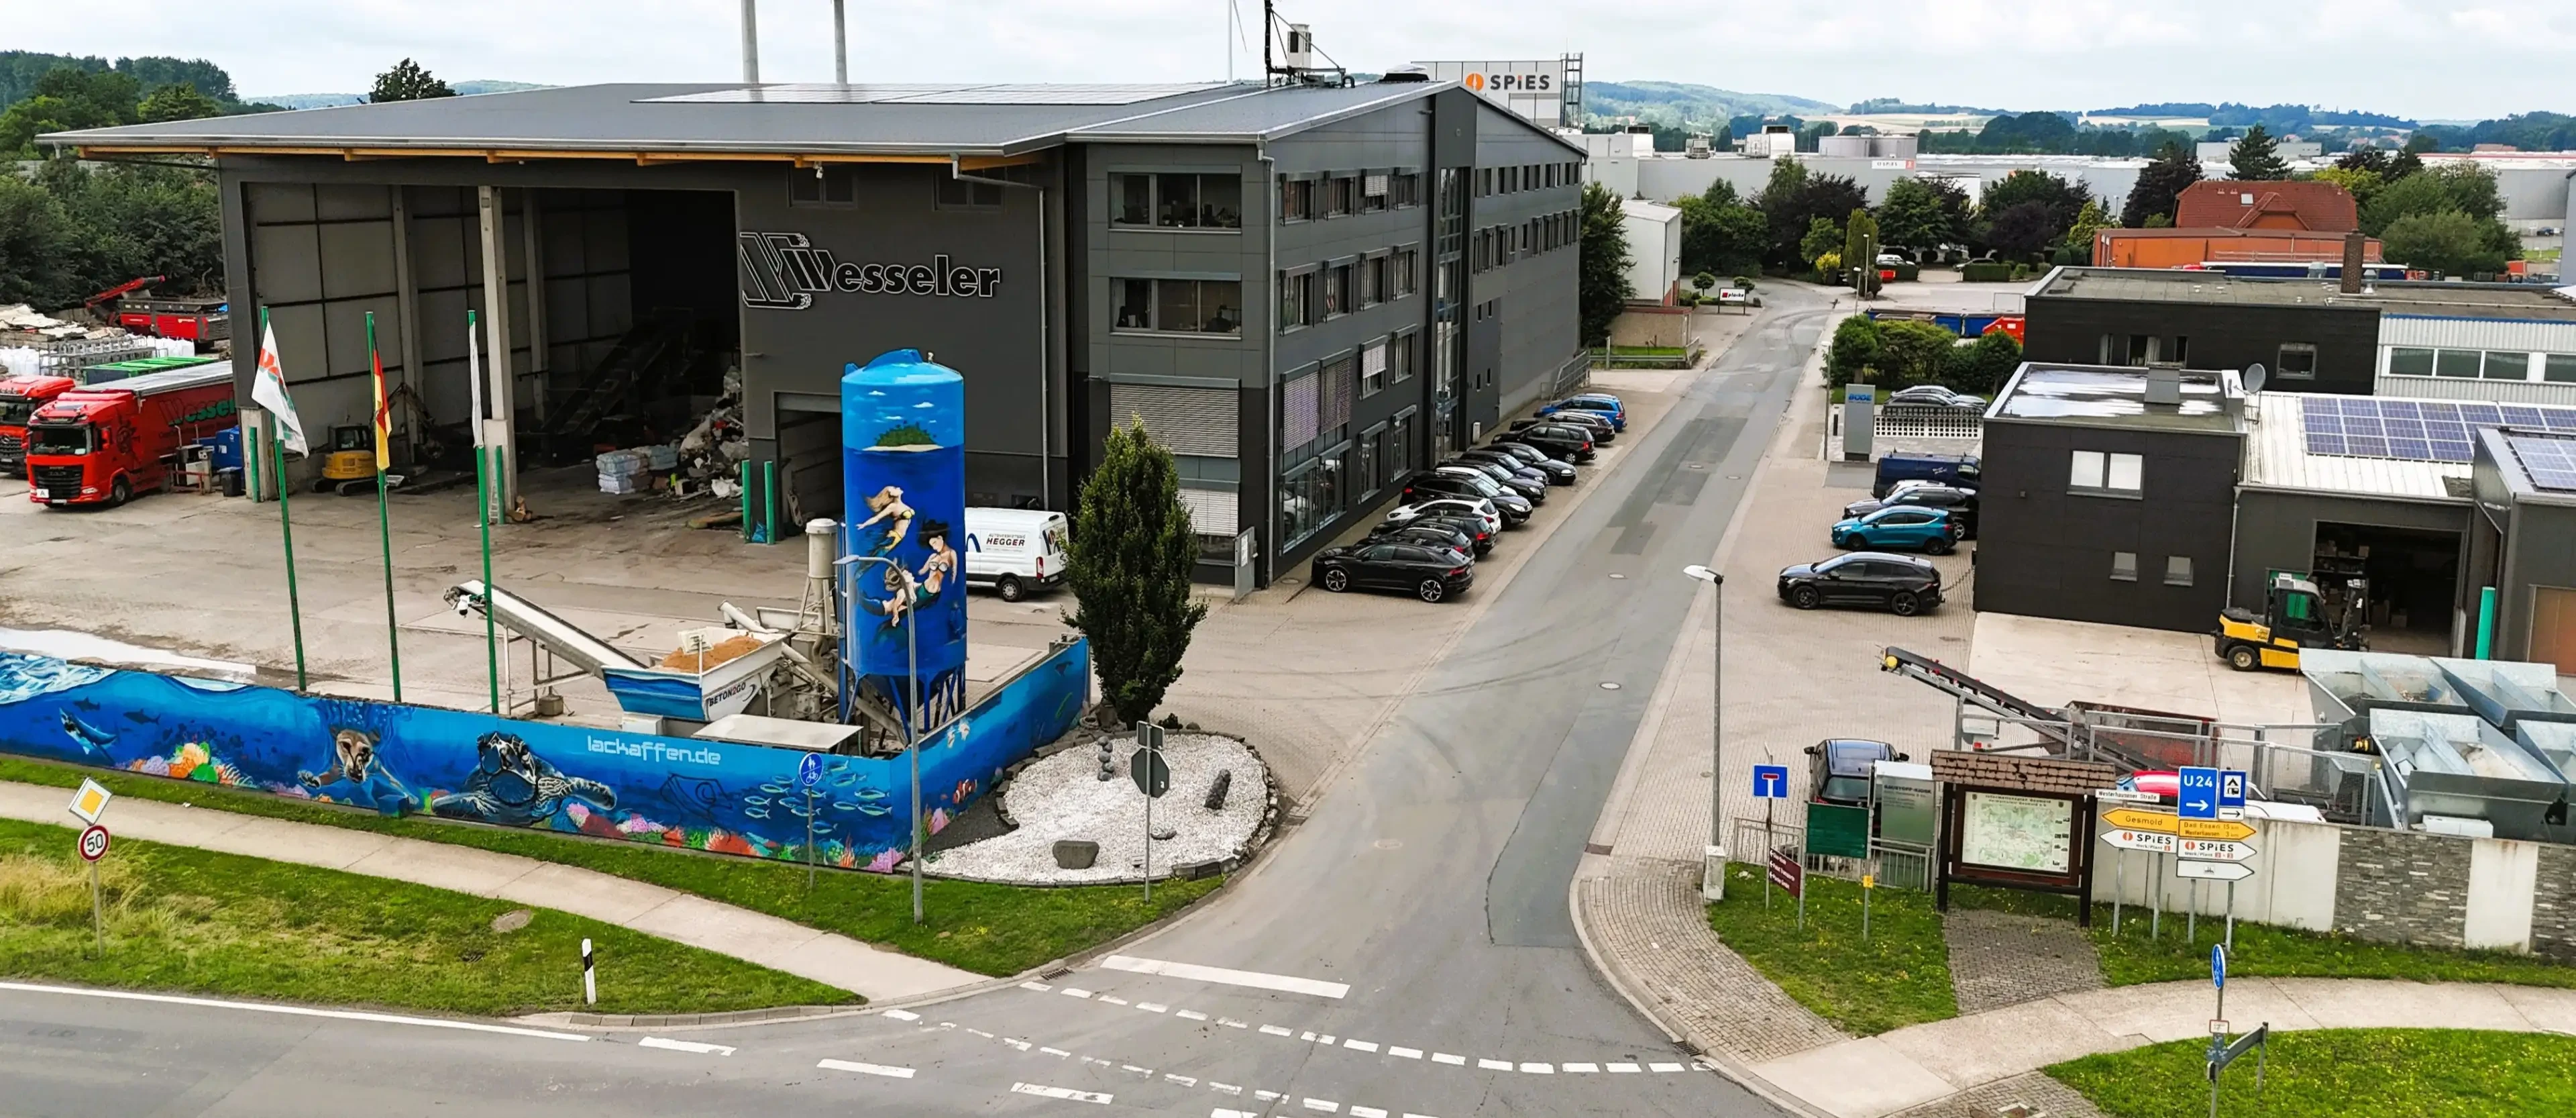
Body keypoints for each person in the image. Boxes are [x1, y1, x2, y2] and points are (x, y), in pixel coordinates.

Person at [854, 485, 914, 555]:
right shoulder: (893, 506)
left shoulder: (904, 506)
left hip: (901, 537)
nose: (898, 488)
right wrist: (864, 525)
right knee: (879, 554)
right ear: (890, 494)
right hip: (894, 537)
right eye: (894, 488)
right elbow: (877, 518)